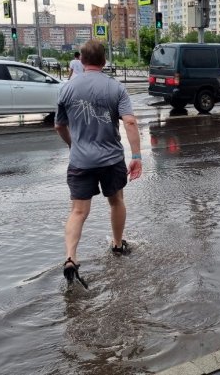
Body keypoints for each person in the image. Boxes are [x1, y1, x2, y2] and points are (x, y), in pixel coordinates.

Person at [54, 39, 142, 288]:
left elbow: (59, 125)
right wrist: (136, 157)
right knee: (116, 201)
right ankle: (117, 244)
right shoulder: (116, 88)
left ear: (81, 61)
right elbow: (131, 123)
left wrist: (72, 144)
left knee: (78, 211)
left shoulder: (67, 88)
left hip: (80, 160)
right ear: (104, 62)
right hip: (111, 159)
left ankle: (71, 258)